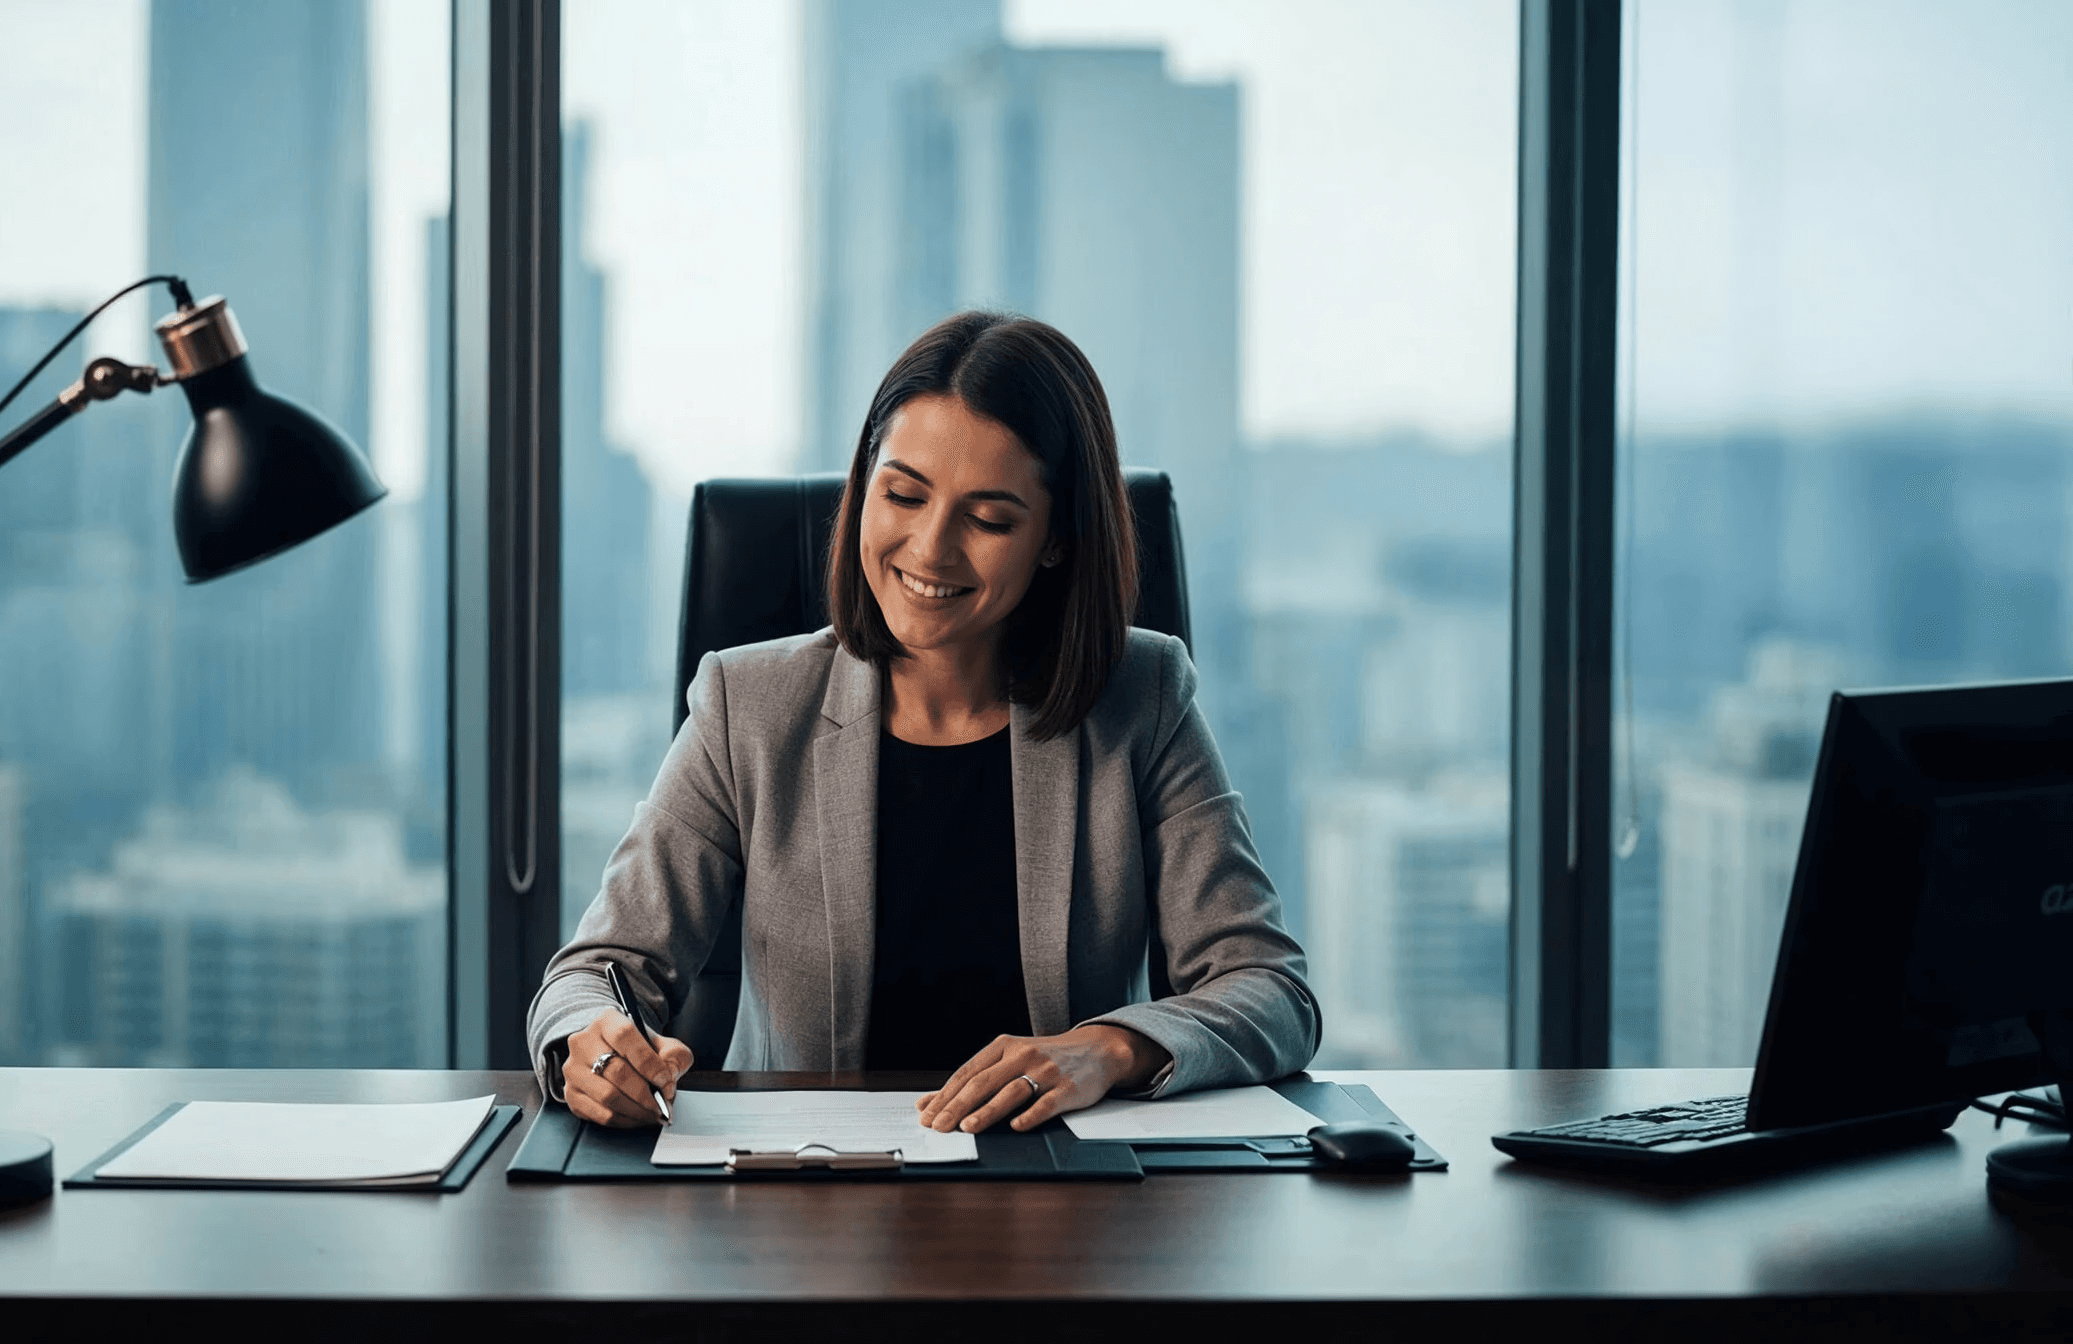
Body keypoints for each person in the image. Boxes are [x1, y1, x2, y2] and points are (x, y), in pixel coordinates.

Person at [528, 311, 1318, 1136]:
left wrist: (1107, 1048)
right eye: (902, 495)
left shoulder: (1140, 696)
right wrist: (590, 1045)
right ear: (862, 489)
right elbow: (596, 972)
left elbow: (1269, 989)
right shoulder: (746, 705)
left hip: (1065, 1200)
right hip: (806, 1197)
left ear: (1054, 540)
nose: (930, 550)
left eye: (988, 519)